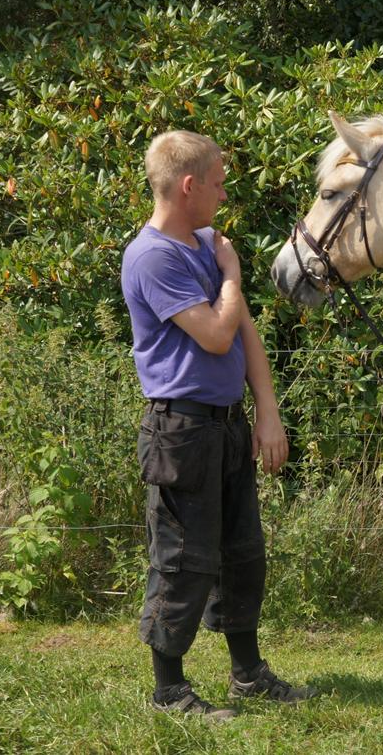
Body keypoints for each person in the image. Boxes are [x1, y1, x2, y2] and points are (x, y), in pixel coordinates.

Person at [121, 130, 316, 720]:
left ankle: (248, 675)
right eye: (218, 181)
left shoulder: (203, 242)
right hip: (180, 431)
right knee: (182, 558)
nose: (224, 192)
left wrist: (268, 412)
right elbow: (215, 332)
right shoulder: (153, 256)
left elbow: (244, 331)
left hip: (225, 427)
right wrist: (230, 272)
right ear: (188, 186)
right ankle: (168, 690)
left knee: (242, 554)